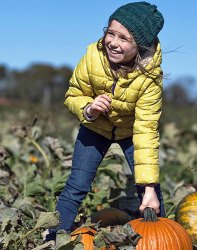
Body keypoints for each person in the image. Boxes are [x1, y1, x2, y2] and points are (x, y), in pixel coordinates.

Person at [46, 1, 165, 241]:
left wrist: (150, 188)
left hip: (131, 132)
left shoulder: (150, 78)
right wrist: (88, 109)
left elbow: (146, 131)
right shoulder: (93, 56)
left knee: (150, 192)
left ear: (140, 46)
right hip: (94, 127)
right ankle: (52, 240)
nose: (113, 42)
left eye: (124, 38)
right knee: (76, 186)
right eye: (110, 33)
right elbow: (73, 95)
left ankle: (156, 238)